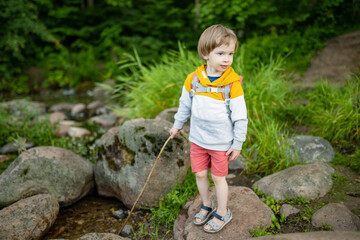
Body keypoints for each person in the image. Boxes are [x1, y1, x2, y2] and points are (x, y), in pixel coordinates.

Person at [169, 24, 248, 233]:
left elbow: (241, 117)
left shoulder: (232, 84)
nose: (226, 59)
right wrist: (177, 125)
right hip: (198, 140)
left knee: (218, 177)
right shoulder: (193, 79)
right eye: (221, 53)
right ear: (205, 54)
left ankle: (222, 211)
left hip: (221, 142)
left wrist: (237, 142)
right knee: (201, 175)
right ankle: (206, 204)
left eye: (230, 54)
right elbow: (184, 105)